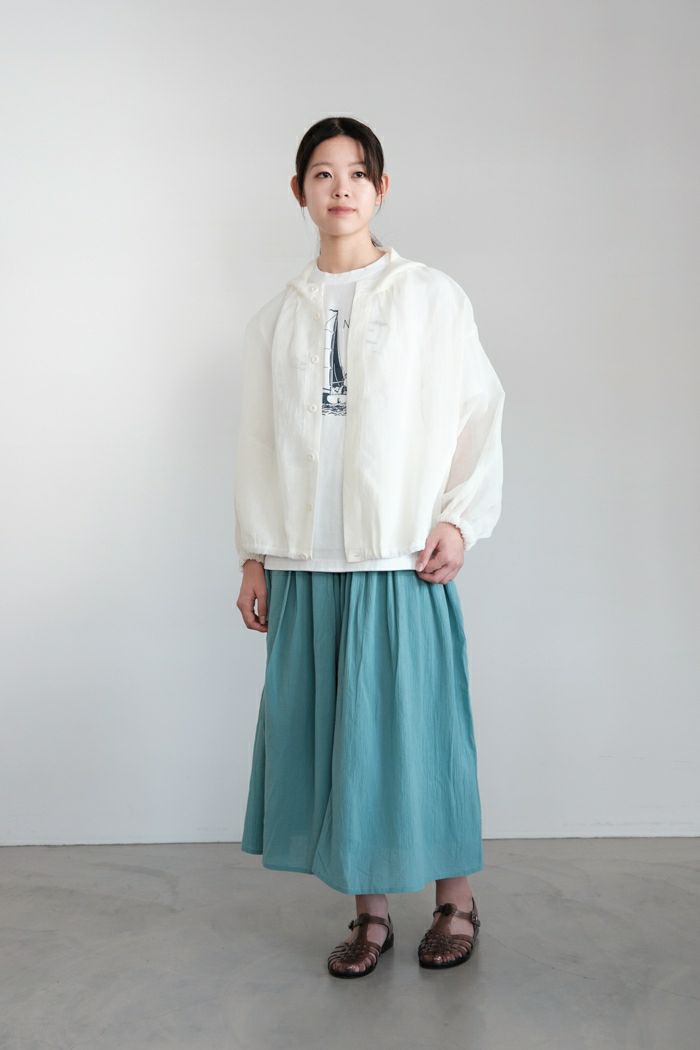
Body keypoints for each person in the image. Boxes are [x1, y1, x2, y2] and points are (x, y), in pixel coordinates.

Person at [233, 116, 505, 978]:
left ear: (381, 190)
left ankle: (456, 900)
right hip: (308, 561)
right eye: (322, 173)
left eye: (356, 173)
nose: (340, 188)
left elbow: (478, 408)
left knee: (420, 732)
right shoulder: (277, 318)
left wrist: (459, 517)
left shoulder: (430, 296)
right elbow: (258, 443)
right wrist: (254, 554)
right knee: (341, 741)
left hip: (399, 557)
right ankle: (371, 913)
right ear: (299, 191)